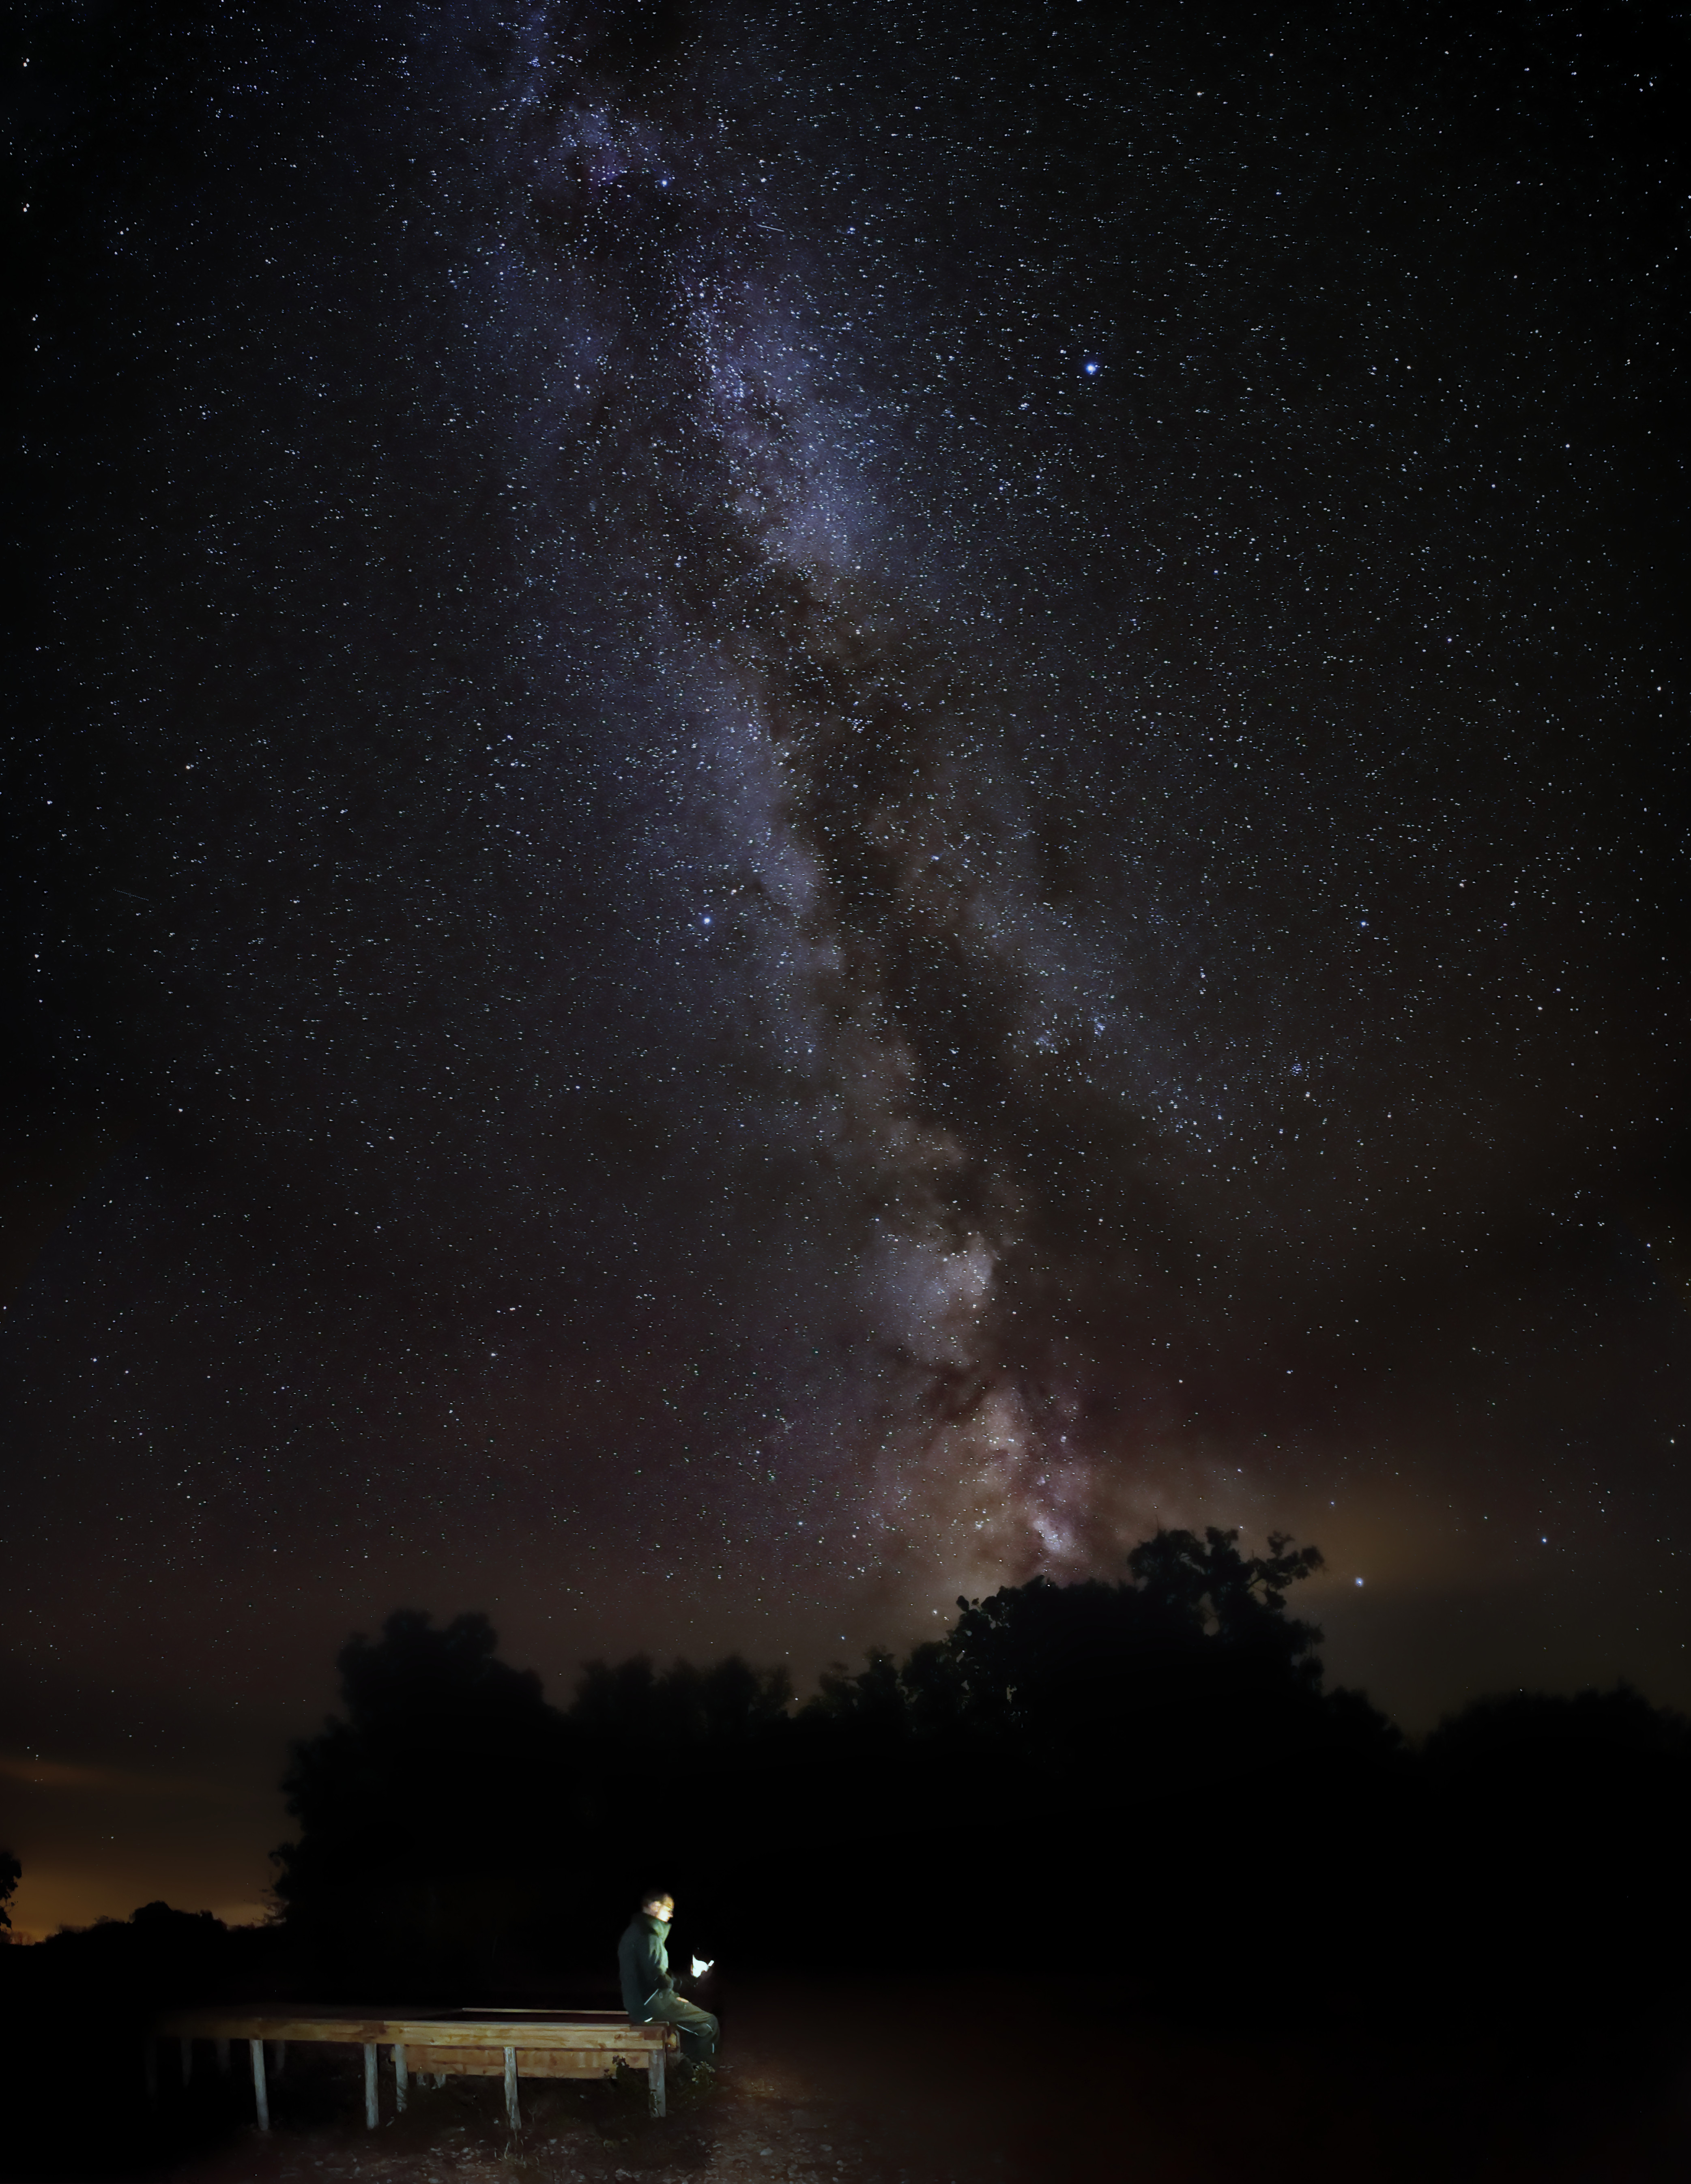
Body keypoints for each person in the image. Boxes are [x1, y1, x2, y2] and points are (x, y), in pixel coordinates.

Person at [616, 1889, 719, 2068]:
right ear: (655, 1906)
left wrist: (673, 1996)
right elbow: (657, 1980)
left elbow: (648, 1976)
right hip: (650, 2007)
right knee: (709, 2024)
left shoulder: (636, 1931)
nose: (671, 1915)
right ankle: (702, 2073)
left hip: (642, 2003)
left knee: (690, 2020)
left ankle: (688, 2069)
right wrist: (691, 1981)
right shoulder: (649, 1936)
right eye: (669, 1909)